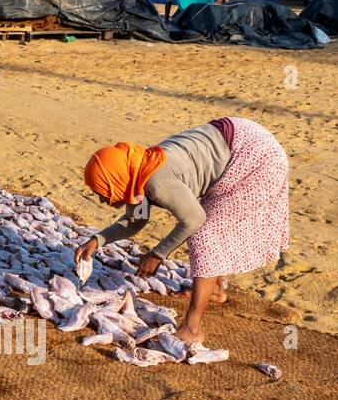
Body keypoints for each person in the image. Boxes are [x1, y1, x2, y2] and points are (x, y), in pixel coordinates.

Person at [75, 118, 289, 347]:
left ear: (116, 179)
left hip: (256, 158)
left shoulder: (156, 182)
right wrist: (97, 240)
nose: (102, 199)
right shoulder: (136, 172)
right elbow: (135, 220)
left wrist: (158, 254)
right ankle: (216, 290)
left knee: (204, 235)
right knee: (211, 224)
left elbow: (194, 220)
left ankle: (192, 327)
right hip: (235, 140)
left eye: (103, 190)